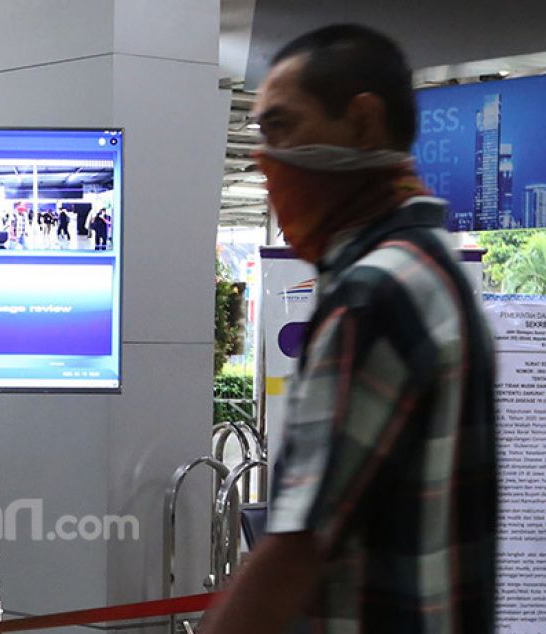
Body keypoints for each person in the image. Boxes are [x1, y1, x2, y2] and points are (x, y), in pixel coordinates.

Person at [198, 24, 496, 634]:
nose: (267, 158)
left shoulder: (373, 294)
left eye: (283, 126)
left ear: (362, 123)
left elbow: (297, 548)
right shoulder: (437, 269)